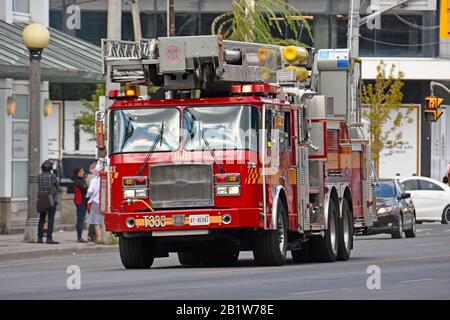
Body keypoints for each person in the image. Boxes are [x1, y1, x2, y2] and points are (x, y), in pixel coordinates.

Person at [37, 160, 59, 244]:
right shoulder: (52, 176)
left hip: (42, 199)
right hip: (51, 199)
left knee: (41, 218)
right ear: (50, 168)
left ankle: (39, 237)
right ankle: (49, 238)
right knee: (51, 219)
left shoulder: (39, 176)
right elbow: (57, 186)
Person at [72, 167, 88, 243]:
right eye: (81, 171)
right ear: (77, 173)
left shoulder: (81, 180)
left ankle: (80, 236)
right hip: (80, 202)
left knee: (81, 219)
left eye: (83, 171)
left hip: (83, 201)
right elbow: (85, 188)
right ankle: (79, 237)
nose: (83, 172)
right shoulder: (77, 181)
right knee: (80, 219)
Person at [86, 168, 102, 243]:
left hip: (95, 201)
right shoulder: (103, 179)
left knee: (96, 221)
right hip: (103, 201)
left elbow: (90, 190)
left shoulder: (94, 180)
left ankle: (99, 239)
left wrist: (88, 195)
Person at [85, 162, 98, 241]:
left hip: (91, 201)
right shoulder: (93, 178)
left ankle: (92, 235)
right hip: (94, 201)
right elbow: (90, 190)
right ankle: (92, 235)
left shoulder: (88, 177)